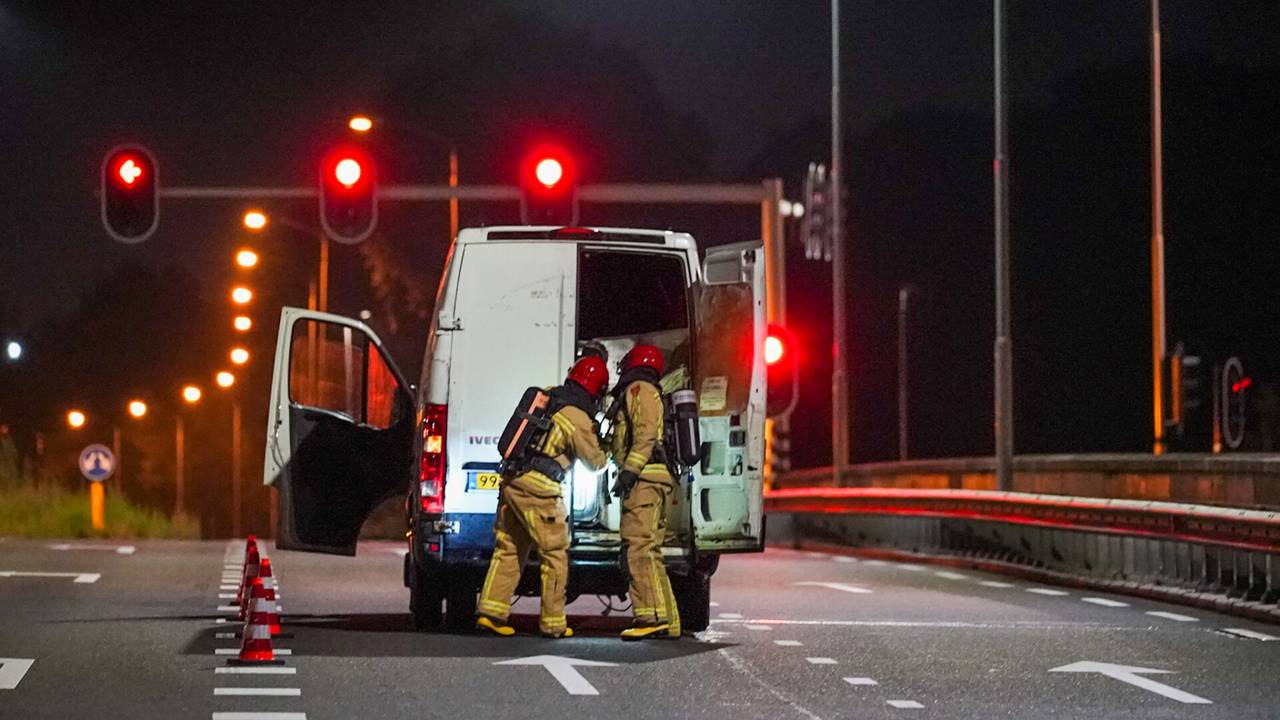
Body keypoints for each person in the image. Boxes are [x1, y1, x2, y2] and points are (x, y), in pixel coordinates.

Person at [475, 355, 609, 638]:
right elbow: (595, 462)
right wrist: (606, 446)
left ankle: (491, 613)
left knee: (509, 548)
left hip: (512, 481)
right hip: (540, 489)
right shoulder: (577, 417)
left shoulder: (549, 397)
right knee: (554, 555)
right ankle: (553, 623)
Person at [607, 344, 681, 640]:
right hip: (654, 477)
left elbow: (646, 432)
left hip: (645, 479)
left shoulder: (639, 389)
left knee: (637, 548)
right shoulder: (649, 389)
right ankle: (668, 619)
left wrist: (630, 471)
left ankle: (649, 617)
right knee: (651, 551)